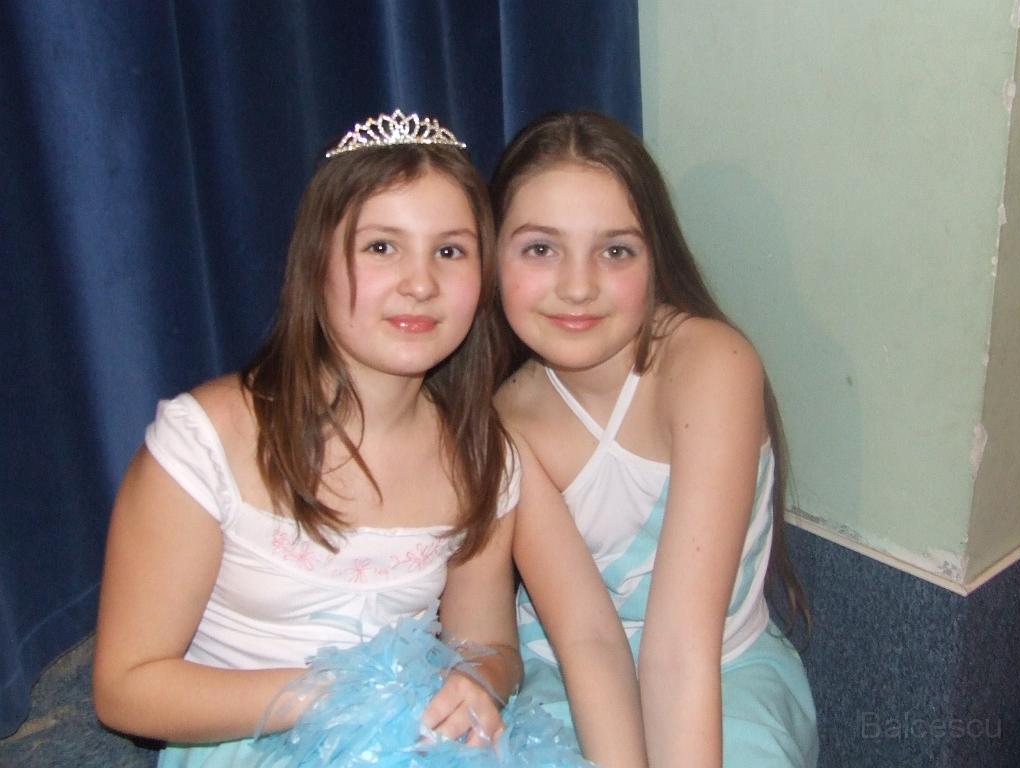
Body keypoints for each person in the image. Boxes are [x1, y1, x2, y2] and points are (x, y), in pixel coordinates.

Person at [93, 110, 644, 767]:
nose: (421, 283)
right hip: (249, 744)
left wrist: (475, 684)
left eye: (450, 251)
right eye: (382, 247)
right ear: (317, 264)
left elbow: (489, 647)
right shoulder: (207, 444)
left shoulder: (482, 457)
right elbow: (126, 690)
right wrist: (338, 696)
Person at [491, 110, 819, 767]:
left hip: (720, 668)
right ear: (493, 255)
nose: (578, 286)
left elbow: (680, 647)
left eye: (615, 250)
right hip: (563, 673)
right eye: (540, 248)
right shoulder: (504, 418)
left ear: (654, 256)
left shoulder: (711, 365)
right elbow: (587, 641)